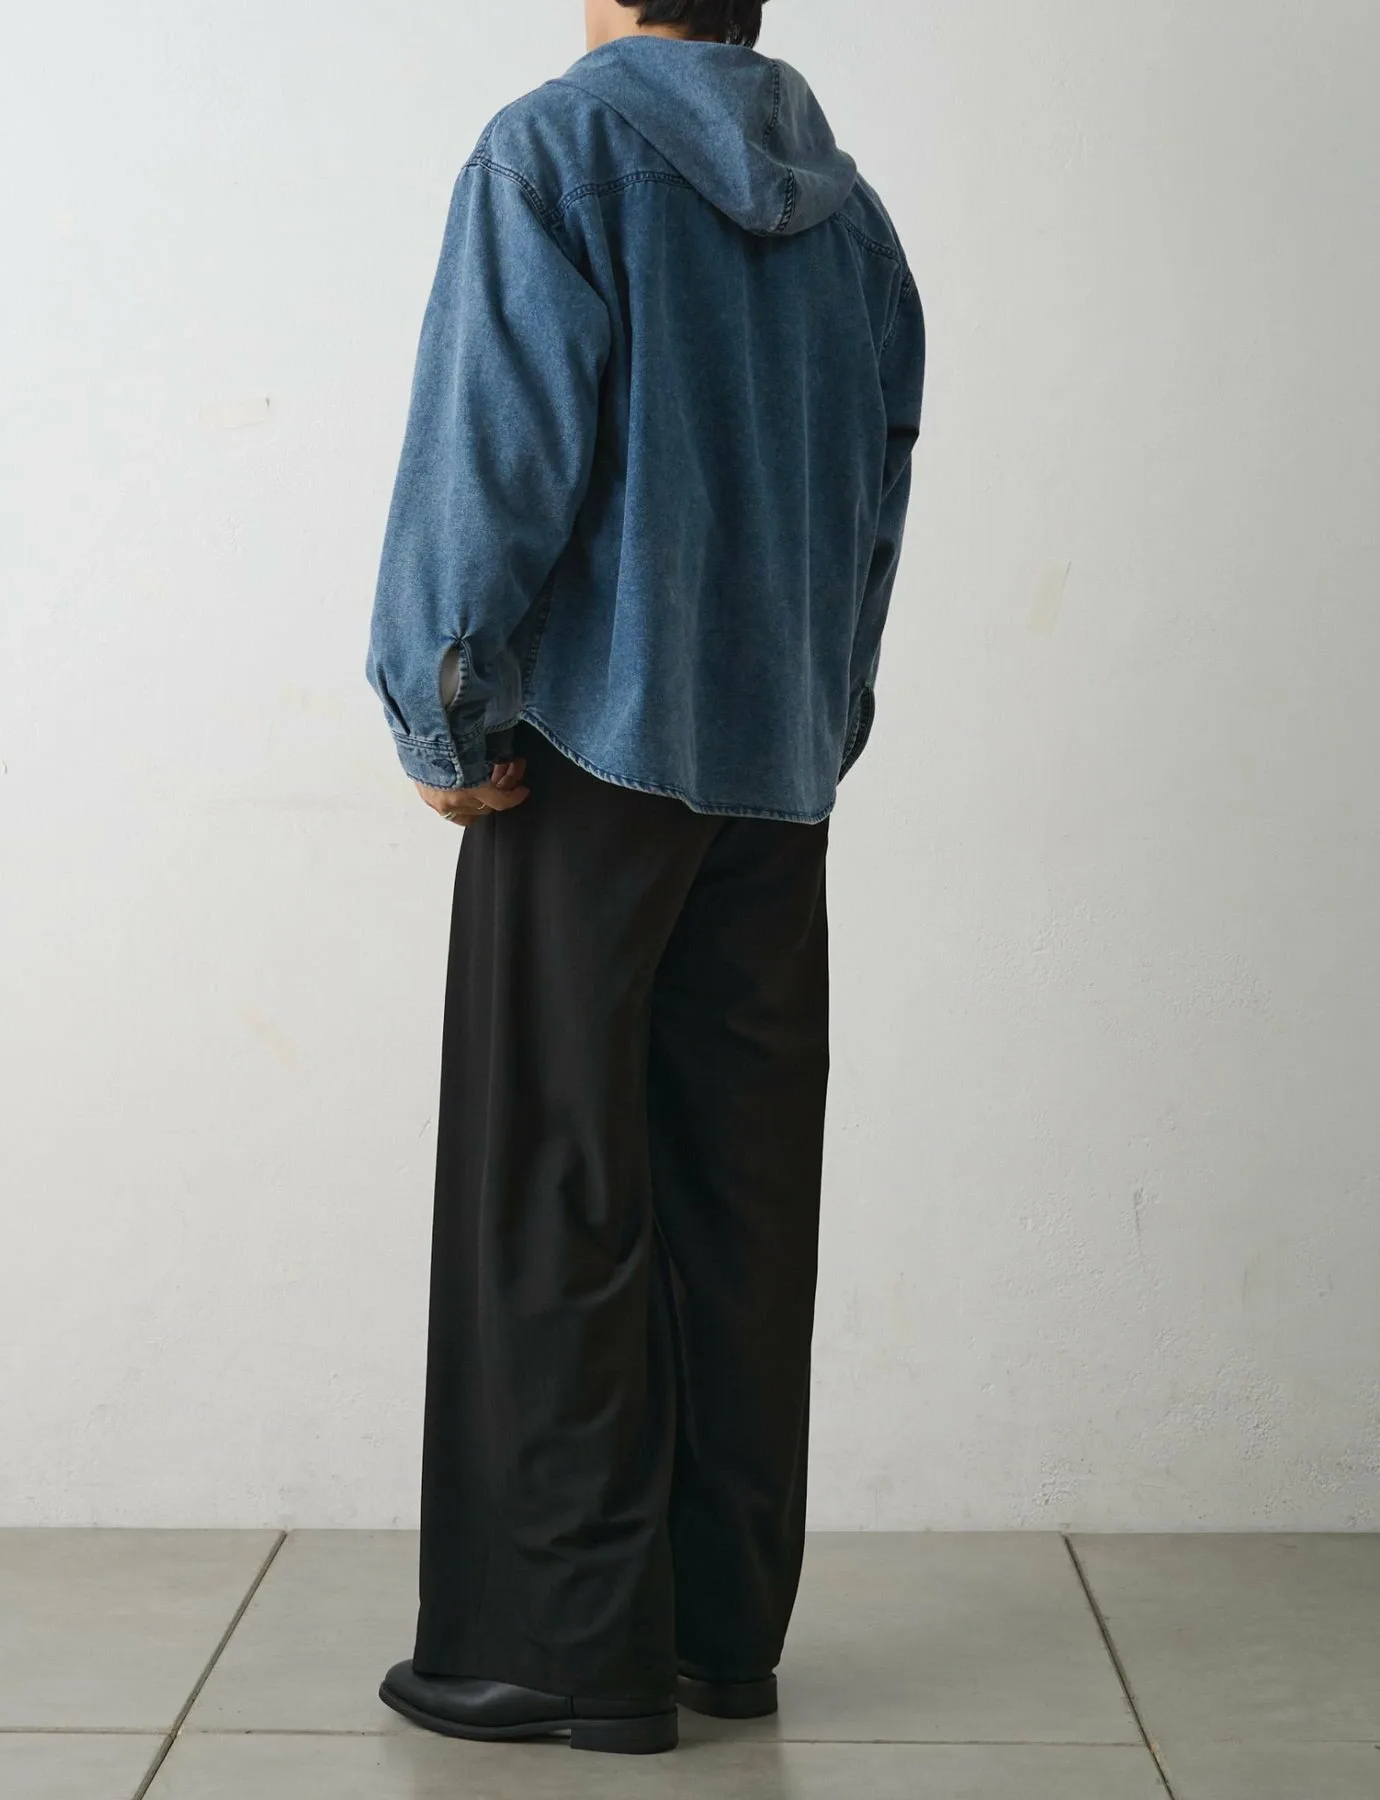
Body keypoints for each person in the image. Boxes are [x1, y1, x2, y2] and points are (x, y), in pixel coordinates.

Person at [366, 0, 923, 1757]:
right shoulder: (853, 218)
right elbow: (876, 501)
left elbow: (493, 451)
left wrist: (443, 701)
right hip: (775, 768)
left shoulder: (554, 151)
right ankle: (718, 1631)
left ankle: (565, 1652)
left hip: (589, 754)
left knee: (556, 1181)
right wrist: (823, 711)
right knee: (740, 1198)